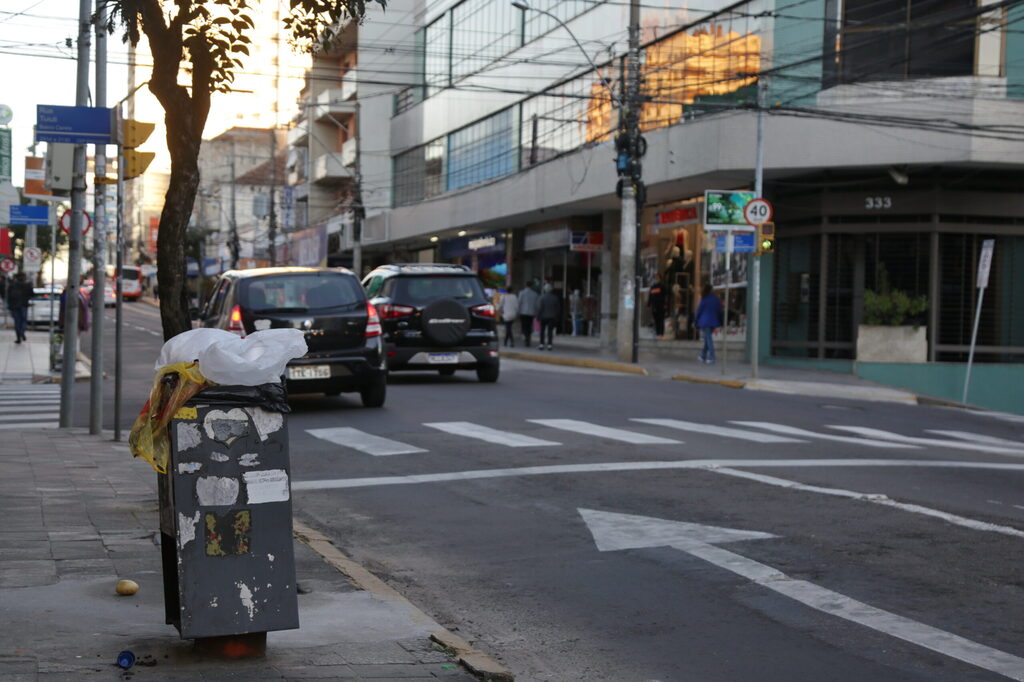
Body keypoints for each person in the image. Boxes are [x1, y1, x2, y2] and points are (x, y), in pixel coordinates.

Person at [694, 283, 723, 364]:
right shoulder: (716, 299)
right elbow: (719, 310)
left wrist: (695, 321)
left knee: (708, 339)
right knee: (707, 339)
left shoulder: (704, 299)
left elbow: (699, 311)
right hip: (714, 322)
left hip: (705, 321)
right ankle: (703, 355)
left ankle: (712, 357)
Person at [7, 273, 34, 344]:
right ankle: (22, 332)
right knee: (23, 320)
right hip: (23, 305)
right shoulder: (27, 285)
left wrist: (9, 306)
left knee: (17, 321)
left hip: (15, 305)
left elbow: (9, 296)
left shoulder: (12, 285)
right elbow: (32, 294)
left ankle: (18, 337)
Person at [537, 282, 561, 351]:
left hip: (543, 317)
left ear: (545, 290)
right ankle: (549, 344)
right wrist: (556, 316)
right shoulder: (555, 298)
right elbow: (558, 308)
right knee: (550, 331)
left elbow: (540, 308)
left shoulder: (542, 297)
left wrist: (538, 316)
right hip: (552, 317)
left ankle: (541, 344)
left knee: (542, 331)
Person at [518, 279, 539, 348]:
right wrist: (536, 312)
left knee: (524, 326)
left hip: (523, 312)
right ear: (532, 286)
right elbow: (536, 305)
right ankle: (528, 338)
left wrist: (518, 311)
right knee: (529, 326)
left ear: (525, 285)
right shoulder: (535, 294)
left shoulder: (522, 293)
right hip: (531, 313)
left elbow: (519, 302)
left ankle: (526, 338)